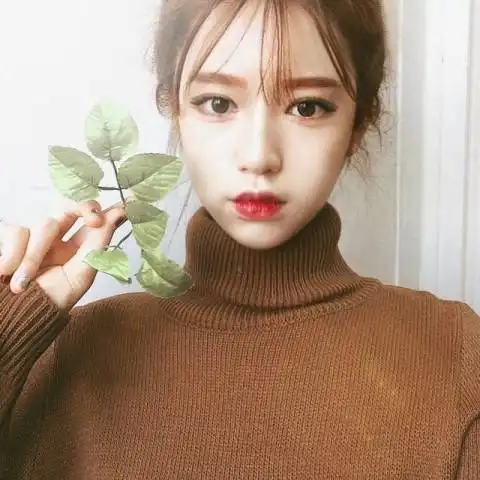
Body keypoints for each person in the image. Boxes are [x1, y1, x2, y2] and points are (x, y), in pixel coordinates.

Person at [0, 0, 479, 477]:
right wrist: (12, 321)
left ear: (357, 124)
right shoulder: (66, 353)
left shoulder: (454, 356)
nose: (259, 156)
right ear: (174, 109)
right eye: (218, 103)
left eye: (307, 107)